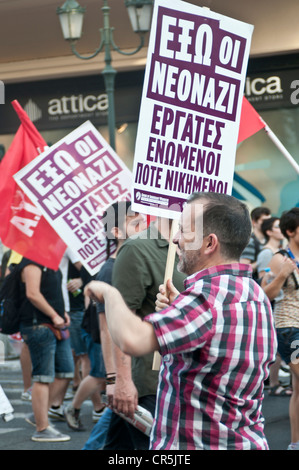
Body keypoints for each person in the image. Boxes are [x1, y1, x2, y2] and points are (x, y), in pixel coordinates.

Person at [85, 191, 277, 450]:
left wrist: (109, 293)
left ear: (210, 244)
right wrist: (180, 306)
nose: (175, 238)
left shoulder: (203, 300)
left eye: (184, 231)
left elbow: (131, 340)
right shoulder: (255, 294)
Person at [101, 212, 185, 450]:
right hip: (149, 381)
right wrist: (121, 380)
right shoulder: (137, 248)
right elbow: (118, 321)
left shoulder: (191, 249)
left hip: (180, 378)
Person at [82, 200, 147, 449]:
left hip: (135, 373)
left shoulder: (133, 264)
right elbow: (106, 329)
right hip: (125, 376)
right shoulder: (110, 270)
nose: (143, 228)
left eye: (144, 222)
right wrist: (114, 380)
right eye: (135, 223)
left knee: (114, 438)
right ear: (117, 232)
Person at [19, 257, 74, 442]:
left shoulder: (51, 260)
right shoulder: (32, 260)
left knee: (66, 372)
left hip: (55, 324)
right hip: (39, 325)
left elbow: (52, 292)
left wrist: (62, 313)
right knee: (43, 377)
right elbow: (33, 293)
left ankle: (38, 414)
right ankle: (42, 428)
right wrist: (53, 315)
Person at [266, 208, 299, 450]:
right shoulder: (279, 258)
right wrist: (282, 275)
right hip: (289, 328)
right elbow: (264, 293)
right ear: (290, 231)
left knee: (298, 390)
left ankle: (295, 444)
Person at [256, 217, 292, 397]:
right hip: (284, 320)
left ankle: (274, 381)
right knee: (276, 351)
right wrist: (282, 275)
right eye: (276, 226)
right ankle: (273, 381)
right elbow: (264, 282)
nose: (279, 229)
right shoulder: (273, 255)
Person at [240, 206, 271, 280]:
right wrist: (261, 261)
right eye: (264, 220)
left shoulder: (268, 240)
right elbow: (243, 268)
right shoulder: (250, 241)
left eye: (269, 220)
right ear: (254, 222)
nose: (268, 223)